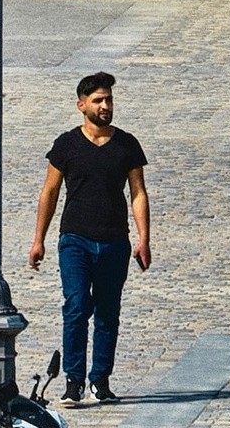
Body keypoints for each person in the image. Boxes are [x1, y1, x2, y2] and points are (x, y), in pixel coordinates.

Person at [29, 70, 150, 405]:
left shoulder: (127, 145)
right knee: (77, 306)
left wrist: (144, 238)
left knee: (108, 312)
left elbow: (138, 193)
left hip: (114, 241)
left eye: (108, 99)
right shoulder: (67, 145)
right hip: (75, 241)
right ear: (82, 105)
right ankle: (73, 380)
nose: (105, 105)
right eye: (98, 100)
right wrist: (38, 239)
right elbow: (49, 192)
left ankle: (101, 380)